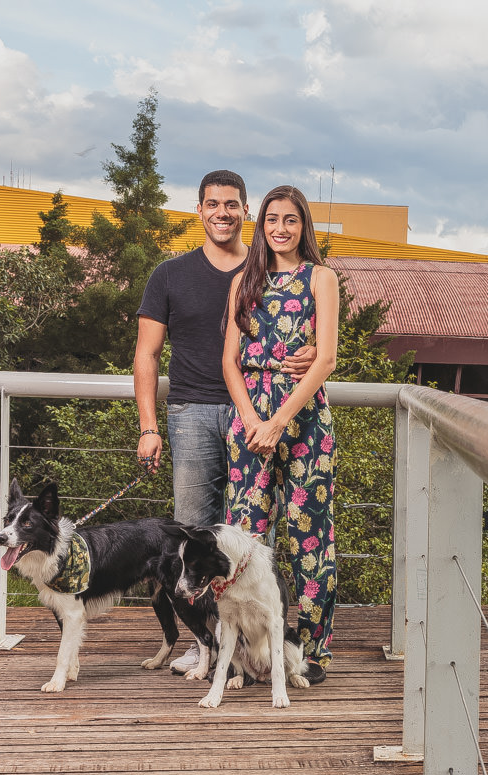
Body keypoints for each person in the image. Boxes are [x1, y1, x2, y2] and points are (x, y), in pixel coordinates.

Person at [134, 170, 313, 674]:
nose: (222, 213)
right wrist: (149, 426)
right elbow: (146, 356)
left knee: (247, 537)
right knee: (193, 534)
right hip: (190, 413)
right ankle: (204, 645)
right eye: (213, 204)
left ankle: (253, 650)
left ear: (245, 212)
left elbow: (302, 324)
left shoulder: (266, 274)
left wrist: (314, 349)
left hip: (253, 415)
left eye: (232, 205)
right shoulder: (169, 275)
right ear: (199, 210)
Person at [222, 185, 338, 671]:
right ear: (260, 224)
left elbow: (326, 357)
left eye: (290, 220)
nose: (281, 229)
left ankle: (310, 654)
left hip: (303, 416)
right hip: (250, 415)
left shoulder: (321, 278)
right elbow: (228, 361)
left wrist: (280, 420)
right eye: (272, 219)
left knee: (310, 536)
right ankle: (249, 655)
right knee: (244, 539)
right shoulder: (242, 282)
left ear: (303, 225)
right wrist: (253, 419)